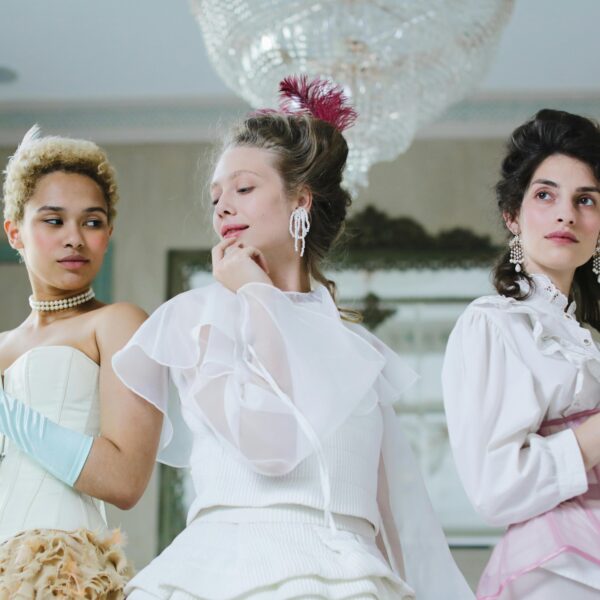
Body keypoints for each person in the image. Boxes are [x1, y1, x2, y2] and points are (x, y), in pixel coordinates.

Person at [113, 76, 473, 600]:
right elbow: (270, 444)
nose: (222, 207)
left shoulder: (359, 350)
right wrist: (258, 295)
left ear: (300, 200)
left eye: (243, 189)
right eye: (216, 197)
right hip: (225, 572)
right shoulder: (197, 319)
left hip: (354, 578)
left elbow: (399, 517)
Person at [443, 109, 600, 599]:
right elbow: (495, 488)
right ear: (512, 215)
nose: (566, 214)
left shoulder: (587, 338)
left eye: (586, 200)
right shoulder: (494, 324)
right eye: (545, 195)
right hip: (558, 567)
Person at [0, 126, 163, 598]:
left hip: (62, 568)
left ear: (108, 234)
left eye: (92, 222)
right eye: (53, 221)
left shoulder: (118, 323)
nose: (74, 238)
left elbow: (126, 480)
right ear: (15, 232)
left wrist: (7, 412)